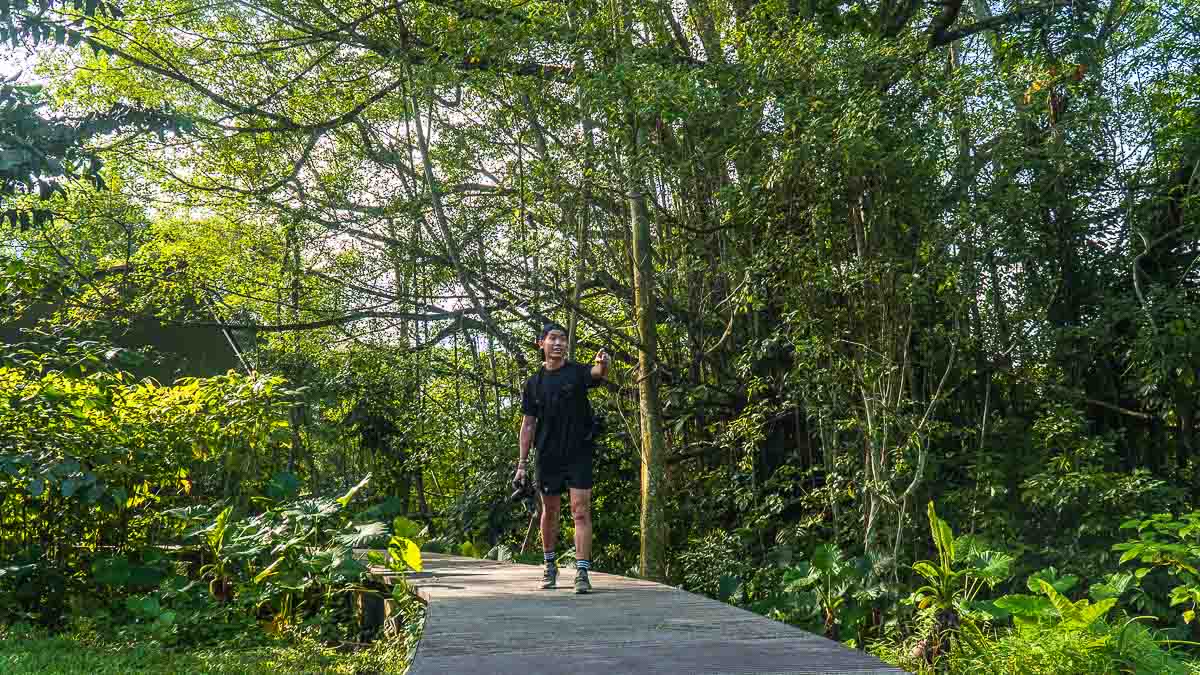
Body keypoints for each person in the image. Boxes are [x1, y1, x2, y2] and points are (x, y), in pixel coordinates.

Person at [514, 322, 609, 593]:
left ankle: (582, 572)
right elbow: (528, 424)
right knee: (550, 511)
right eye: (553, 338)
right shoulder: (533, 383)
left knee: (580, 510)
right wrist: (521, 464)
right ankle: (549, 565)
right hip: (547, 455)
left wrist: (604, 363)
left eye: (563, 339)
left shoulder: (577, 372)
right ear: (541, 344)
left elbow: (597, 373)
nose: (558, 343)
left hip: (578, 452)